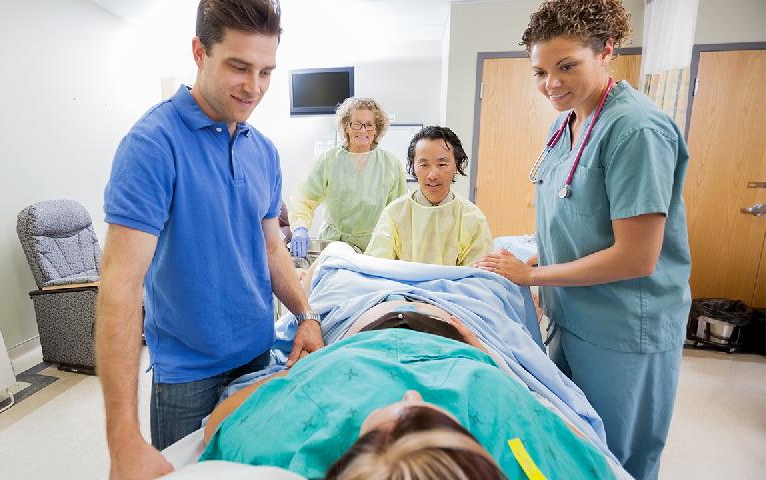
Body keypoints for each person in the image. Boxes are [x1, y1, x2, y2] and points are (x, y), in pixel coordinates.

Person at [97, 1, 323, 478]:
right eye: (239, 67)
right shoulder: (152, 145)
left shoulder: (262, 151)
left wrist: (305, 314)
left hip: (259, 355)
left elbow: (271, 248)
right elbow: (119, 288)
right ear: (199, 52)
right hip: (187, 373)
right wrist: (122, 439)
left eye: (266, 71)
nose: (254, 87)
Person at [475, 1, 691, 478]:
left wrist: (532, 274)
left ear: (606, 51)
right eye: (540, 72)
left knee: (616, 459)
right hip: (570, 314)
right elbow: (574, 216)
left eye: (566, 66)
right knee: (567, 442)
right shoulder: (565, 123)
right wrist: (525, 256)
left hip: (623, 327)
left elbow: (637, 257)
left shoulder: (636, 129)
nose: (551, 83)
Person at [199, 317, 617, 479]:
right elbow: (563, 428)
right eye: (425, 417)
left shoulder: (280, 446)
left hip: (363, 333)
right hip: (451, 335)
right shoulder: (493, 402)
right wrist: (483, 354)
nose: (412, 393)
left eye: (396, 422)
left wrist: (301, 372)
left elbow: (218, 424)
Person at [288, 97, 406, 256]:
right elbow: (304, 200)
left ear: (377, 129)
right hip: (333, 245)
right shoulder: (329, 160)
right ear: (346, 126)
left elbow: (398, 213)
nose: (363, 130)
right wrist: (300, 228)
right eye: (356, 123)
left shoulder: (391, 164)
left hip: (374, 247)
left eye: (369, 124)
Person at [366, 126, 493, 266]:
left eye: (442, 164)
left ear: (456, 165)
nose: (432, 175)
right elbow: (376, 267)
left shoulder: (473, 218)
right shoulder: (394, 213)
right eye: (424, 164)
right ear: (413, 166)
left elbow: (479, 277)